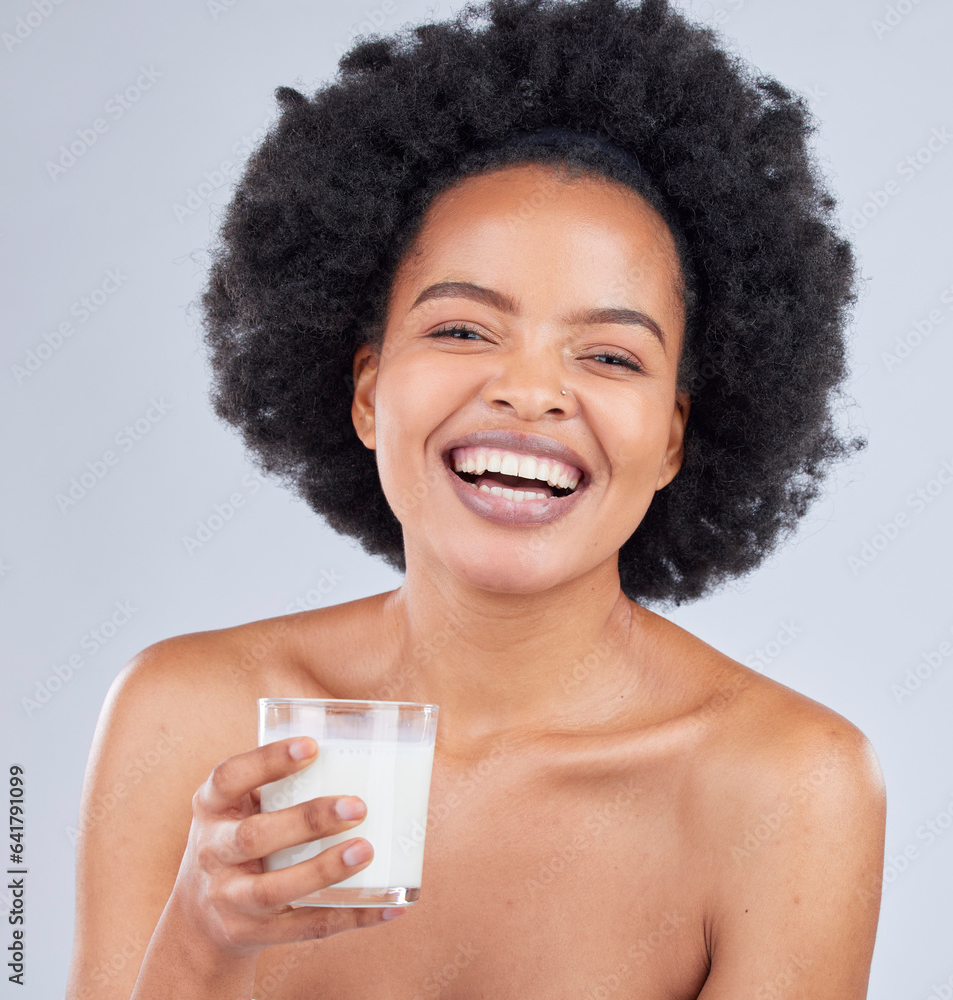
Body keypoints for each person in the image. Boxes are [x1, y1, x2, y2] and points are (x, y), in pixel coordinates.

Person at [66, 0, 886, 997]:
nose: (529, 391)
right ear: (367, 389)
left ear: (672, 435)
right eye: (461, 330)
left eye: (609, 354)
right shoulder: (184, 721)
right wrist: (202, 941)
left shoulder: (787, 785)